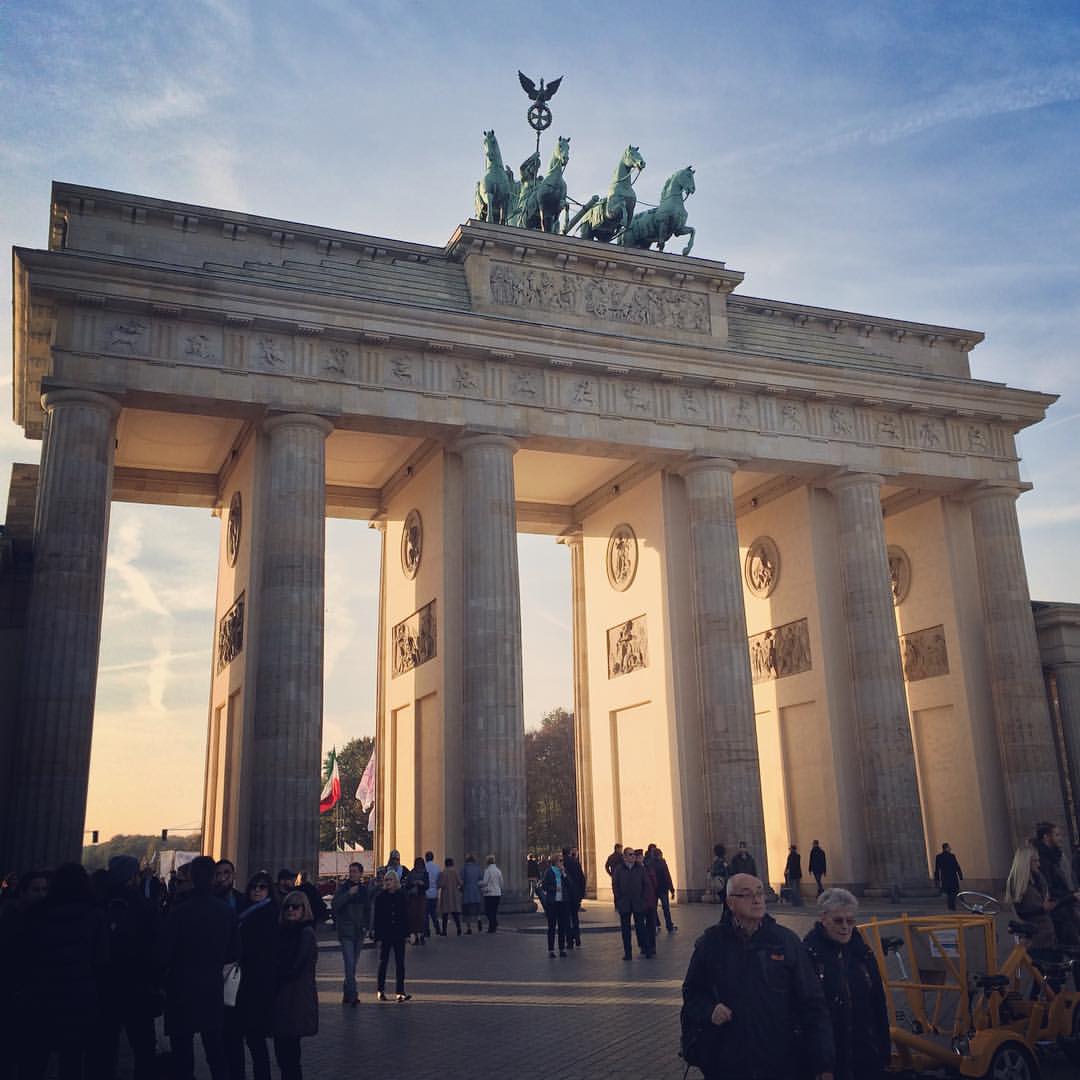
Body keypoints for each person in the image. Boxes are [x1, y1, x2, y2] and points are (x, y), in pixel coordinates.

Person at [681, 872, 835, 1080]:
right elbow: (692, 993)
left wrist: (823, 1063)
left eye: (760, 893)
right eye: (746, 894)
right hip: (728, 1062)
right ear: (730, 902)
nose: (756, 899)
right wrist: (709, 1010)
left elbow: (812, 1003)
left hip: (781, 1061)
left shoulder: (786, 941)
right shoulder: (711, 943)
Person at [19, 863, 109, 1080]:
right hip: (80, 997)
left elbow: (25, 955)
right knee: (72, 1059)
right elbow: (102, 959)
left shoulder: (36, 914)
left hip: (42, 995)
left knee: (35, 1058)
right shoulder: (95, 915)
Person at [157, 854, 239, 1080]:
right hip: (211, 987)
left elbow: (164, 953)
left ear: (191, 877)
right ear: (213, 878)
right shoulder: (227, 912)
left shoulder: (178, 912)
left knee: (182, 1055)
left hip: (180, 987)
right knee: (215, 1052)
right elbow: (234, 953)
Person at [802, 888, 890, 1080]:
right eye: (838, 920)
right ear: (823, 919)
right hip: (831, 1054)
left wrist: (884, 1052)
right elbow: (805, 1012)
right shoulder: (808, 954)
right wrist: (819, 1063)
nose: (845, 927)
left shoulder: (863, 953)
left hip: (864, 1051)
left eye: (850, 921)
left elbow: (878, 1004)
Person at [95, 855, 161, 1080]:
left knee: (104, 1049)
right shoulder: (145, 907)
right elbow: (155, 949)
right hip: (138, 987)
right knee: (144, 1050)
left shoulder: (99, 904)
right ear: (133, 876)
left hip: (105, 986)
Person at [235, 872, 277, 1080]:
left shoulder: (271, 915)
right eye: (254, 887)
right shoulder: (243, 912)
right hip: (240, 986)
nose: (257, 890)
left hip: (258, 987)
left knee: (256, 1041)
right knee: (243, 1040)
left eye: (262, 887)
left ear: (269, 890)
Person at [273, 891, 317, 1080]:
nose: (291, 910)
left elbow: (297, 965)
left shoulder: (305, 932)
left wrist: (277, 972)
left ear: (303, 909)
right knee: (282, 1050)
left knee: (289, 1050)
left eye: (295, 907)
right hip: (284, 994)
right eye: (287, 907)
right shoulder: (283, 930)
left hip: (295, 995)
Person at [1033, 821, 1080, 946]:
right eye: (1057, 835)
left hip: (1065, 905)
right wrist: (1071, 896)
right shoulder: (1043, 859)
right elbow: (1049, 888)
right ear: (1046, 837)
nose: (1061, 838)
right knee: (1069, 944)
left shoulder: (1055, 855)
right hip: (1058, 910)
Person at [1003, 845, 1056, 951]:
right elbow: (1021, 912)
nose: (1038, 864)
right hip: (1033, 936)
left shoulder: (1038, 879)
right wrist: (1042, 909)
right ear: (1026, 862)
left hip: (1046, 933)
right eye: (1035, 861)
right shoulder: (1019, 883)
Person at [331, 863, 369, 1005]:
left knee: (353, 964)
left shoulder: (364, 890)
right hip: (346, 932)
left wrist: (367, 926)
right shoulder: (343, 888)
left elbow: (368, 909)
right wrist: (348, 894)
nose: (352, 874)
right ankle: (353, 995)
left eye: (355, 871)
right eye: (350, 871)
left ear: (361, 873)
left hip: (359, 932)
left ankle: (347, 993)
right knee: (349, 963)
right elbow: (335, 905)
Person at [373, 870, 410, 1001]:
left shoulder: (402, 895)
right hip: (385, 934)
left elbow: (406, 915)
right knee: (383, 962)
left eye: (390, 880)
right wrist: (377, 936)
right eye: (386, 880)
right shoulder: (380, 897)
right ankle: (380, 989)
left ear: (396, 882)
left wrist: (407, 934)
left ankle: (400, 991)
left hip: (399, 933)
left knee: (400, 962)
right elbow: (377, 918)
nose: (388, 882)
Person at [612, 845, 648, 961]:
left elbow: (646, 884)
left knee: (641, 927)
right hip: (625, 902)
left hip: (638, 902)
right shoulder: (619, 869)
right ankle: (628, 953)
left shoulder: (640, 868)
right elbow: (615, 885)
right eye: (631, 854)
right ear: (625, 857)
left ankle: (645, 948)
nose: (633, 857)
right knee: (626, 929)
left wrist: (643, 898)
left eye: (634, 854)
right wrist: (619, 898)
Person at [539, 851, 573, 957]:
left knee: (562, 926)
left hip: (563, 902)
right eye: (560, 860)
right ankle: (551, 950)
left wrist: (564, 874)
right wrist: (554, 889)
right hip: (552, 902)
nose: (562, 862)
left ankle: (562, 948)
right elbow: (544, 886)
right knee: (552, 926)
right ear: (555, 862)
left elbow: (570, 885)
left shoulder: (563, 872)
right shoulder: (549, 872)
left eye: (562, 860)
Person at [563, 846, 587, 946]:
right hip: (575, 894)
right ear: (569, 853)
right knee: (575, 917)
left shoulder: (562, 864)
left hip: (565, 895)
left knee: (566, 918)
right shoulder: (576, 863)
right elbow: (582, 879)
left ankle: (569, 941)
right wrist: (581, 893)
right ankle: (577, 938)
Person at [652, 846, 677, 932]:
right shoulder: (662, 863)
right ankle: (669, 925)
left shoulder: (649, 864)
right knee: (666, 908)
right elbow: (667, 876)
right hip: (663, 889)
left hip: (654, 890)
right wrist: (672, 889)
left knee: (653, 909)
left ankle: (655, 925)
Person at [436, 857, 463, 936]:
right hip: (454, 894)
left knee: (445, 915)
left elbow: (441, 884)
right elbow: (460, 883)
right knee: (455, 914)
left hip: (446, 895)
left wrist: (438, 884)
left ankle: (444, 931)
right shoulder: (455, 872)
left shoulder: (443, 872)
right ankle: (459, 929)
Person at [933, 843, 963, 911]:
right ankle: (952, 906)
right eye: (949, 847)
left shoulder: (939, 857)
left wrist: (937, 879)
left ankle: (951, 906)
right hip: (953, 877)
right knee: (953, 892)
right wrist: (960, 875)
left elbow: (937, 868)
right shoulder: (952, 856)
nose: (950, 848)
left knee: (949, 892)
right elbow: (956, 866)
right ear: (946, 848)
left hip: (945, 877)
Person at [405, 857, 429, 944]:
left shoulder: (424, 873)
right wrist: (414, 883)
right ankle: (416, 936)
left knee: (420, 916)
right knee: (414, 917)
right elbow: (407, 885)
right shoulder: (412, 873)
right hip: (414, 897)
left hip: (420, 896)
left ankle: (420, 935)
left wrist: (421, 884)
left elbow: (427, 885)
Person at [480, 854, 504, 933]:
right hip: (497, 893)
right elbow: (501, 883)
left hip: (489, 893)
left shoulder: (487, 871)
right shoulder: (498, 870)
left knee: (488, 911)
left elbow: (485, 882)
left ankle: (493, 924)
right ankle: (492, 927)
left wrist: (478, 883)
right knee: (494, 911)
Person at [461, 853, 483, 934]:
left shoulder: (464, 868)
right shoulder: (477, 867)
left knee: (467, 911)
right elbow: (481, 878)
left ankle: (469, 928)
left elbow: (462, 879)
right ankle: (479, 920)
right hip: (476, 890)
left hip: (467, 891)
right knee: (477, 909)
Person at [423, 851, 441, 936]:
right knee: (434, 913)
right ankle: (437, 929)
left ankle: (427, 931)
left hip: (426, 893)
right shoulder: (437, 867)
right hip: (434, 892)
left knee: (425, 914)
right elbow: (439, 879)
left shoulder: (424, 867)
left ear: (426, 858)